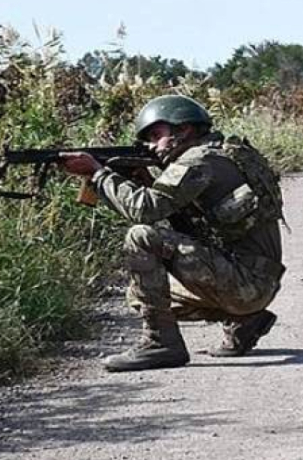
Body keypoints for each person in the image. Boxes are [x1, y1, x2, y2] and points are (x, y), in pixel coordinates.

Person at [60, 95, 285, 372]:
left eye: (156, 136)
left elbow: (145, 210)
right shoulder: (219, 154)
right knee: (138, 294)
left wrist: (98, 174)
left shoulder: (198, 160)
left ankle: (161, 344)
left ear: (183, 130)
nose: (151, 146)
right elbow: (194, 224)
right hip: (254, 281)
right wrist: (146, 182)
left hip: (247, 284)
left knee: (140, 236)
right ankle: (246, 319)